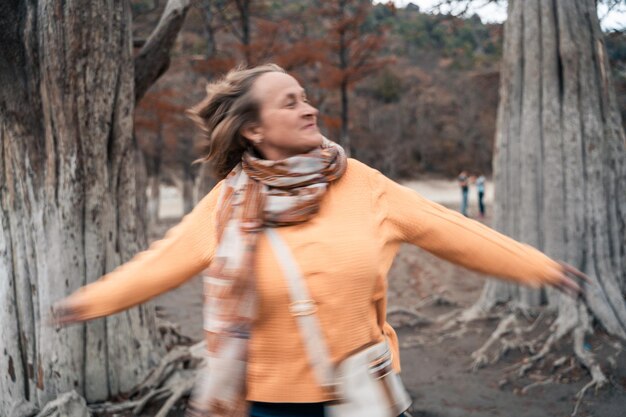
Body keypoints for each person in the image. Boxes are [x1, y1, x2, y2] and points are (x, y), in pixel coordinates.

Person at [53, 64, 586, 417]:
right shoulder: (226, 205)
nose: (309, 109)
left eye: (306, 98)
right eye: (289, 103)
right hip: (266, 402)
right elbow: (160, 262)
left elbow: (453, 231)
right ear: (253, 130)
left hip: (363, 394)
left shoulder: (364, 183)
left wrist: (539, 268)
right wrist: (86, 303)